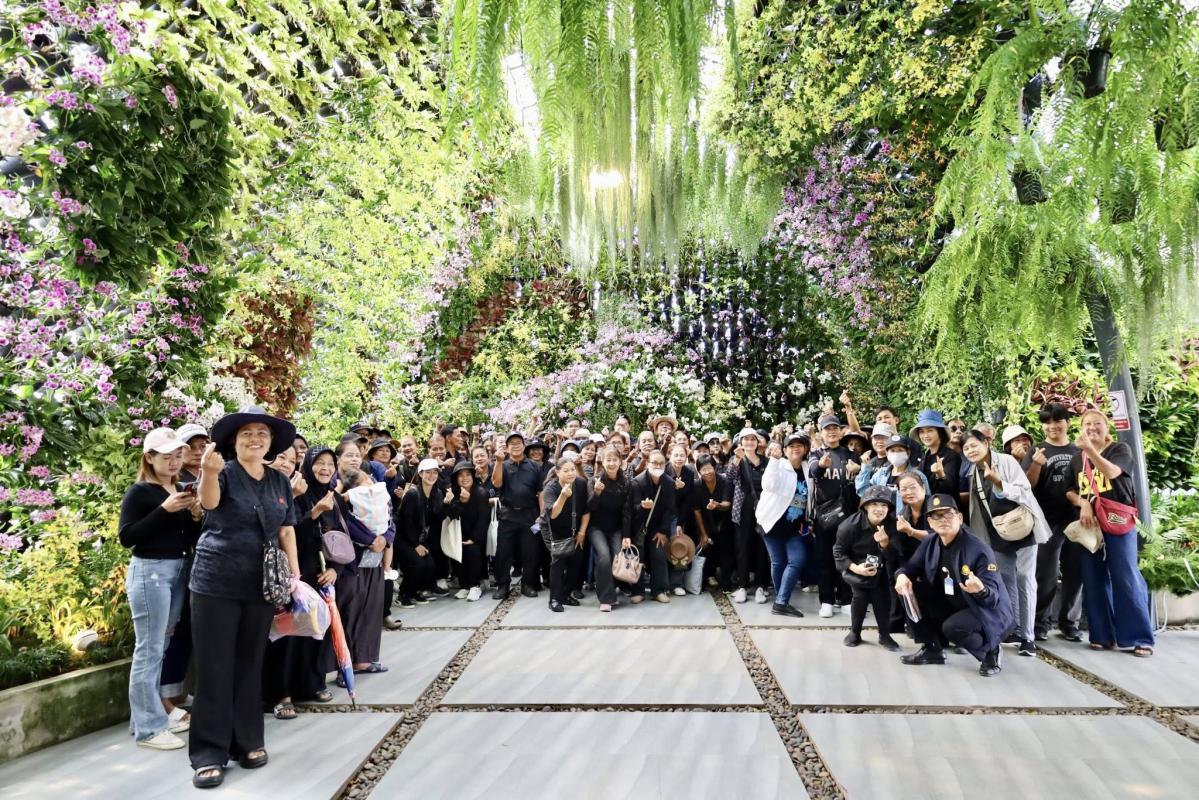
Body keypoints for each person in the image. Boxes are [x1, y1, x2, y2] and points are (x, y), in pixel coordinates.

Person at [188, 406, 301, 789]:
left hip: (261, 585)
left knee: (250, 664)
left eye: (262, 434)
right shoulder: (222, 472)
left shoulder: (279, 481)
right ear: (234, 441)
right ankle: (209, 753)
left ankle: (248, 741)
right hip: (215, 582)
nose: (255, 439)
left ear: (271, 443)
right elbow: (209, 504)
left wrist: (295, 576)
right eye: (247, 433)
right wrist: (208, 473)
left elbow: (286, 530)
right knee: (214, 666)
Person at [118, 427, 201, 751]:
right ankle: (149, 729)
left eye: (178, 455)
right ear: (149, 458)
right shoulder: (140, 492)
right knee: (149, 649)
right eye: (167, 456)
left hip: (178, 570)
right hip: (151, 572)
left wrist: (194, 515)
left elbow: (188, 537)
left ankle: (145, 718)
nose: (174, 461)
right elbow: (128, 537)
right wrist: (164, 509)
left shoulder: (179, 488)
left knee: (160, 647)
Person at [1066, 409, 1154, 657]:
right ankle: (1102, 635)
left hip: (1117, 520)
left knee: (1125, 575)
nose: (1092, 428)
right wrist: (1083, 503)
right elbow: (1069, 490)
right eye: (1087, 424)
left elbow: (1113, 473)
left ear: (1107, 427)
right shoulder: (1077, 459)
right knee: (1093, 578)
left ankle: (1139, 637)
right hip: (1090, 524)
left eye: (1097, 423)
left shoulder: (1120, 450)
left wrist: (1091, 450)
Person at [895, 494, 1013, 676]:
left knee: (952, 628)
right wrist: (902, 576)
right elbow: (910, 567)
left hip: (983, 608)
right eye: (936, 516)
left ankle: (991, 650)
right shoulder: (930, 542)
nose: (943, 520)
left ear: (960, 518)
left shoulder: (978, 549)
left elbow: (993, 599)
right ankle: (932, 648)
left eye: (948, 514)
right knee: (907, 590)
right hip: (953, 600)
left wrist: (980, 590)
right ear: (930, 522)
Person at [263, 447, 338, 720]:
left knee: (312, 630)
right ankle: (280, 694)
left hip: (309, 572)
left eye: (291, 460)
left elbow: (338, 536)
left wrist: (335, 568)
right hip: (278, 573)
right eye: (319, 463)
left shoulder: (328, 494)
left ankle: (309, 683)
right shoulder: (288, 491)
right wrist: (313, 510)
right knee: (283, 635)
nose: (325, 468)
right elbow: (290, 530)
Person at [961, 429, 1051, 657]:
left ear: (986, 443)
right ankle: (1014, 628)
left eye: (974, 445)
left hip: (1023, 527)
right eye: (966, 448)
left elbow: (1024, 491)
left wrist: (998, 481)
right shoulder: (974, 471)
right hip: (997, 533)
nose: (970, 450)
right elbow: (978, 509)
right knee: (1006, 579)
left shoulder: (1007, 461)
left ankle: (1028, 638)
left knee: (1025, 578)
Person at [1020, 404, 1083, 642]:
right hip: (1046, 521)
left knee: (1075, 573)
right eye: (1047, 422)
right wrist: (1036, 463)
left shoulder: (1079, 450)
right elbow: (1027, 486)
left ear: (1067, 423)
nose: (1052, 426)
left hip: (1076, 520)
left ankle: (1070, 623)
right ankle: (1040, 623)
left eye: (1057, 421)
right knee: (1045, 575)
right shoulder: (1036, 450)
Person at [834, 485, 901, 650]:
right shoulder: (849, 526)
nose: (879, 509)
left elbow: (897, 554)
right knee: (860, 596)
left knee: (882, 598)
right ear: (865, 506)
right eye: (874, 504)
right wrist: (856, 568)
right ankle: (855, 632)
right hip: (858, 565)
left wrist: (885, 543)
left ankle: (884, 635)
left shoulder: (893, 525)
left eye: (884, 505)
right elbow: (839, 551)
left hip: (884, 568)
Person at [755, 434, 810, 618]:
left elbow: (810, 497)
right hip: (772, 522)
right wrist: (773, 461)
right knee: (778, 562)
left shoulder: (807, 468)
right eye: (791, 446)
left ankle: (780, 601)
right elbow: (768, 485)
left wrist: (807, 520)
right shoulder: (779, 465)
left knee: (798, 560)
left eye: (800, 445)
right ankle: (781, 601)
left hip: (794, 526)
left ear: (805, 449)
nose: (796, 448)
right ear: (785, 450)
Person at [809, 414, 855, 617]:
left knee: (845, 557)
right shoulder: (816, 453)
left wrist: (859, 469)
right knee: (825, 559)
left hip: (848, 515)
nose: (832, 432)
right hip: (825, 516)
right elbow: (813, 471)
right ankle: (826, 600)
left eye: (835, 428)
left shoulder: (849, 454)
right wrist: (821, 466)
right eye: (827, 429)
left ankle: (846, 599)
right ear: (821, 432)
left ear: (840, 431)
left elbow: (859, 478)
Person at [491, 432, 544, 599]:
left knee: (530, 551)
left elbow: (541, 491)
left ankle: (528, 584)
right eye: (511, 443)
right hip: (508, 514)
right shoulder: (502, 464)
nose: (515, 445)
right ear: (507, 448)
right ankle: (502, 585)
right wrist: (499, 461)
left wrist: (542, 514)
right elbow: (496, 483)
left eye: (518, 442)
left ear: (523, 445)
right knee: (503, 552)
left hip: (530, 515)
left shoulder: (534, 466)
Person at [588, 445, 634, 612]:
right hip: (596, 527)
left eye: (615, 460)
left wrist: (626, 535)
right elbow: (589, 508)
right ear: (602, 461)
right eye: (608, 460)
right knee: (604, 557)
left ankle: (618, 585)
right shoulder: (594, 481)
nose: (612, 463)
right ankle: (606, 598)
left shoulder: (626, 482)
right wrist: (596, 493)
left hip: (616, 527)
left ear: (620, 461)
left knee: (617, 556)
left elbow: (627, 511)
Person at [542, 459, 590, 611]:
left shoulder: (581, 484)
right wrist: (563, 496)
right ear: (557, 472)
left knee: (576, 561)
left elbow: (586, 510)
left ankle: (565, 594)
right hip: (553, 529)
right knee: (558, 562)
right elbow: (553, 514)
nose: (571, 473)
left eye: (573, 469)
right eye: (566, 470)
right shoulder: (550, 488)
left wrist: (582, 532)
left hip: (575, 529)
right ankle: (554, 599)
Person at [629, 449, 676, 603]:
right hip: (639, 526)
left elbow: (670, 509)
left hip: (658, 527)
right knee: (638, 556)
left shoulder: (669, 483)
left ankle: (659, 590)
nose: (658, 466)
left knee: (659, 554)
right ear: (648, 464)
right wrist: (643, 507)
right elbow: (632, 509)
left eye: (661, 463)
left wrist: (663, 531)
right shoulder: (637, 482)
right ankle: (637, 591)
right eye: (654, 463)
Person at [729, 427, 769, 603]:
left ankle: (760, 586)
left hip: (765, 507)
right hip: (744, 506)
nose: (749, 442)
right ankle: (742, 586)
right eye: (746, 439)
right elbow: (730, 476)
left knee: (762, 546)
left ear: (758, 442)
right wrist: (737, 458)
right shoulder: (738, 459)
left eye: (753, 439)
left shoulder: (766, 461)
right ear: (740, 442)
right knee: (743, 546)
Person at [395, 458, 442, 607]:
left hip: (418, 537)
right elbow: (406, 522)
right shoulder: (412, 494)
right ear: (420, 474)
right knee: (417, 563)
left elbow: (437, 518)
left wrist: (447, 503)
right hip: (403, 537)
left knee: (429, 564)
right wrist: (416, 545)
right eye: (428, 472)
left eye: (435, 472)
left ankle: (414, 591)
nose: (432, 475)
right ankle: (403, 595)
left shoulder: (436, 493)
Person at [444, 461, 490, 601]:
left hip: (477, 534)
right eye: (461, 475)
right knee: (458, 556)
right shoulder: (454, 492)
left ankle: (475, 586)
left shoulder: (481, 492)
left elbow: (483, 519)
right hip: (459, 533)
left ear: (473, 476)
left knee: (473, 551)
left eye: (468, 474)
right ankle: (464, 586)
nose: (464, 478)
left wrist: (474, 538)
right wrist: (458, 502)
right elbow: (453, 515)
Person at [694, 454, 733, 591]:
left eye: (709, 468)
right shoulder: (697, 485)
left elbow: (727, 504)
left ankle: (726, 583)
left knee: (726, 552)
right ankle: (707, 578)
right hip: (706, 521)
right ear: (699, 471)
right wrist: (703, 534)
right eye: (703, 469)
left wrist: (717, 505)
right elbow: (697, 510)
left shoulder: (724, 480)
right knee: (707, 549)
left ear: (714, 467)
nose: (707, 472)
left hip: (724, 521)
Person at [911, 409, 963, 505]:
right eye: (921, 432)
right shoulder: (924, 458)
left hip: (947, 508)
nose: (925, 435)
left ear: (940, 432)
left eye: (930, 430)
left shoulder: (951, 455)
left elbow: (951, 488)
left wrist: (941, 475)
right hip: (928, 508)